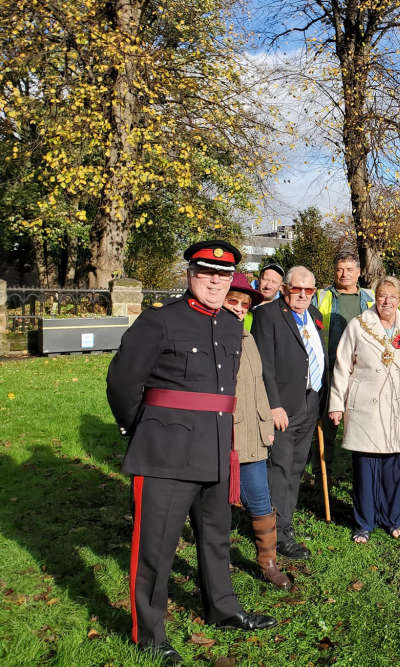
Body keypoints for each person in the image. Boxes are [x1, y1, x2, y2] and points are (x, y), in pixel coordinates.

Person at [107, 240, 276, 663]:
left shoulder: (232, 325)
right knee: (156, 548)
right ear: (190, 274)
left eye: (224, 275)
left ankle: (222, 607)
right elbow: (123, 383)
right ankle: (149, 634)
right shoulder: (159, 322)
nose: (216, 282)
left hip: (217, 448)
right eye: (207, 273)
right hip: (165, 451)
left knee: (216, 537)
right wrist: (138, 428)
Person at [329, 277, 400, 542]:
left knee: (396, 468)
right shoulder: (358, 326)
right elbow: (342, 366)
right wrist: (336, 404)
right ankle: (364, 522)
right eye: (382, 296)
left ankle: (393, 519)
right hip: (366, 407)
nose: (387, 302)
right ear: (375, 297)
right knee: (366, 468)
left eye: (392, 297)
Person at [220, 273, 291, 590]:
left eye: (244, 305)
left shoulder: (247, 340)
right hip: (220, 437)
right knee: (215, 505)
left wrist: (266, 424)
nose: (238, 308)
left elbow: (259, 384)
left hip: (251, 435)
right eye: (232, 301)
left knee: (261, 501)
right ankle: (216, 563)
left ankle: (268, 563)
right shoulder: (209, 337)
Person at [251, 266, 327, 560]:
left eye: (309, 290)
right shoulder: (267, 316)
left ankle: (286, 524)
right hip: (283, 407)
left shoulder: (315, 316)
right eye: (298, 289)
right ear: (286, 289)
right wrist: (273, 404)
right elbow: (264, 365)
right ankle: (277, 536)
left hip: (310, 403)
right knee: (279, 470)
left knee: (295, 468)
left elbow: (319, 354)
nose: (303, 295)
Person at [314, 252, 375, 473]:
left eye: (350, 269)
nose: (344, 274)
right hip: (329, 371)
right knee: (326, 426)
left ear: (359, 272)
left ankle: (362, 474)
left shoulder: (370, 299)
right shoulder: (321, 297)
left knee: (362, 427)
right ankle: (322, 474)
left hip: (362, 373)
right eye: (340, 269)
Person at [244, 263, 284, 332]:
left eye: (274, 282)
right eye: (265, 279)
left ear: (281, 286)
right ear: (259, 280)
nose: (268, 286)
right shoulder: (242, 303)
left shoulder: (283, 311)